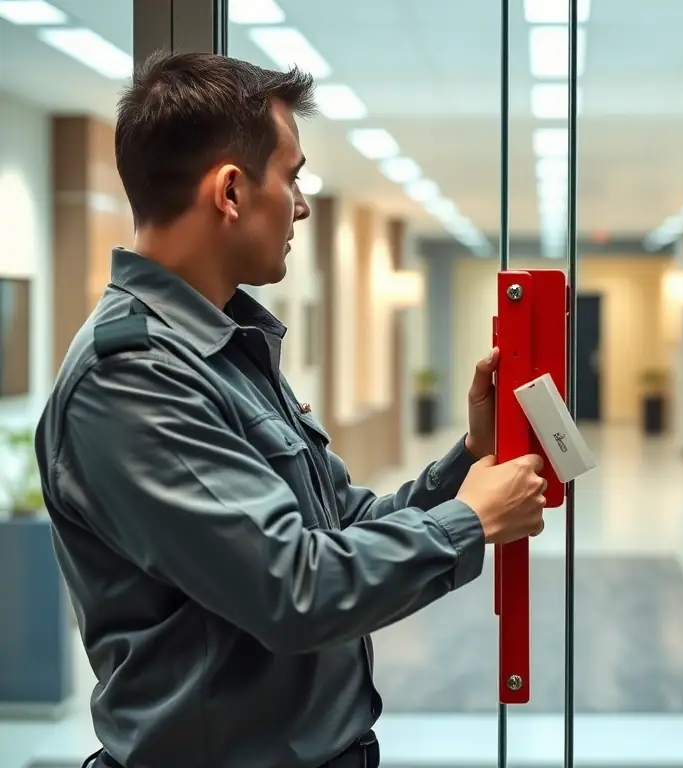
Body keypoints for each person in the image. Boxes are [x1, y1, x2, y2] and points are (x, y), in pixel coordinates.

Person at [34, 51, 549, 768]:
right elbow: (295, 589)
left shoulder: (225, 349)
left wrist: (468, 462)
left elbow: (342, 527)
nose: (302, 204)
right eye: (293, 176)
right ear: (231, 191)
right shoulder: (134, 379)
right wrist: (470, 521)